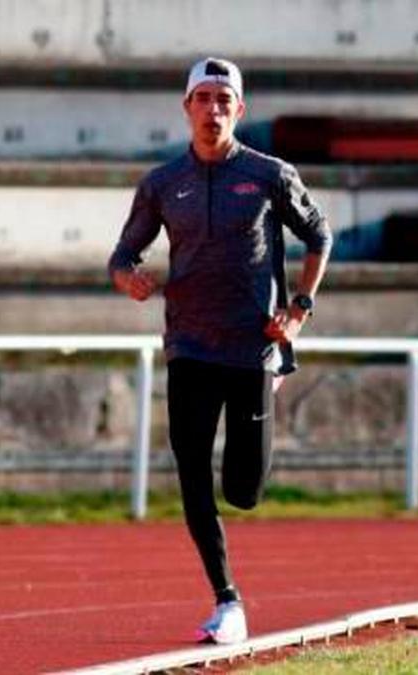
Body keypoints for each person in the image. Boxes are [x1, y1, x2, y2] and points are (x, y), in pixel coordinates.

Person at [107, 57, 332, 645]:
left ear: (240, 110)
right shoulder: (161, 183)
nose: (213, 109)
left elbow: (319, 236)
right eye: (202, 98)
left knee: (243, 491)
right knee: (190, 468)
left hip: (253, 349)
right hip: (188, 346)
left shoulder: (268, 175)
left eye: (223, 99)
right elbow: (121, 254)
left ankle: (263, 415)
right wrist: (126, 277)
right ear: (186, 107)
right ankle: (227, 601)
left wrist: (301, 310)